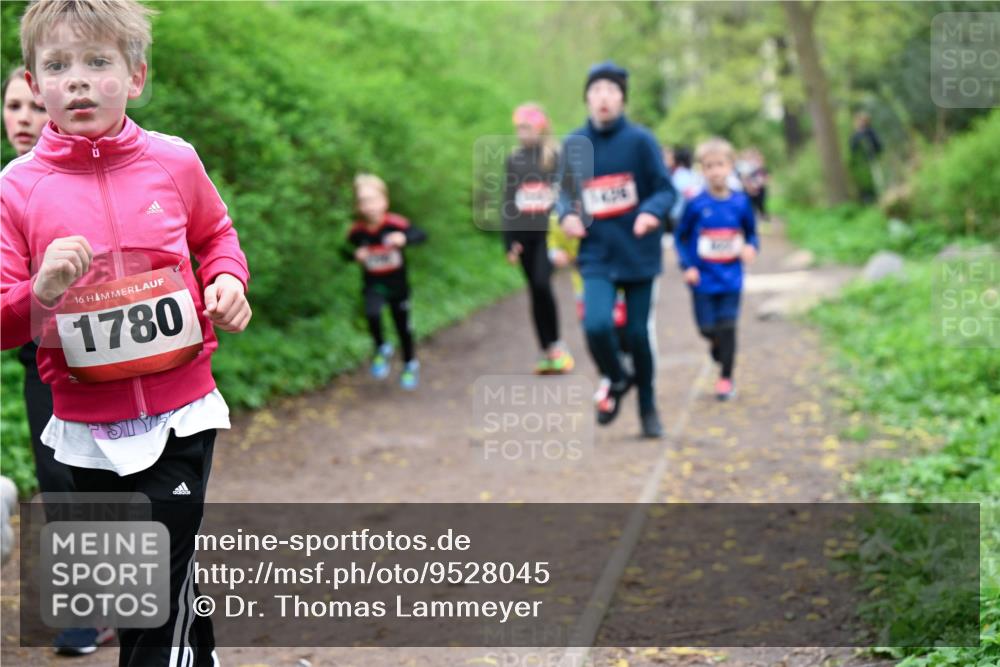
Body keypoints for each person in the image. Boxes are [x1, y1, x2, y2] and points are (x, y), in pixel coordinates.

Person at [2, 2, 252, 664]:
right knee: (137, 585)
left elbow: (216, 234)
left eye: (96, 62)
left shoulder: (174, 161)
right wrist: (43, 290)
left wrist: (227, 279)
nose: (77, 80)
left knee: (157, 573)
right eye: (57, 66)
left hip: (180, 413)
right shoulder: (16, 190)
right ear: (34, 80)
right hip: (85, 430)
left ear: (135, 75)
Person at [3, 64, 114, 658]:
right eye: (13, 106)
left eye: (33, 108)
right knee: (58, 480)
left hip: (101, 352)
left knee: (106, 483)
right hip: (37, 357)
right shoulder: (7, 186)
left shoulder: (82, 179)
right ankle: (86, 617)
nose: (23, 118)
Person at [556, 61, 676, 438]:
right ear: (587, 99)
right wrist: (566, 217)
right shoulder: (575, 144)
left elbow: (665, 190)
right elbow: (564, 194)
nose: (603, 98)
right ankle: (617, 377)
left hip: (638, 251)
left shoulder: (640, 141)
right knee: (596, 324)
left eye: (611, 90)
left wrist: (650, 213)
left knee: (639, 336)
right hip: (596, 254)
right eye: (596, 91)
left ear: (622, 98)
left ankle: (648, 408)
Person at [674, 138, 759, 401]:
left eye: (720, 165)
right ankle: (715, 345)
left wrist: (750, 248)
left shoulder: (741, 203)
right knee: (707, 328)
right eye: (709, 166)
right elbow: (680, 237)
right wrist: (687, 266)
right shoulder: (696, 203)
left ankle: (726, 378)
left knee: (728, 327)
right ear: (702, 170)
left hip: (731, 278)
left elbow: (752, 233)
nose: (715, 171)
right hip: (703, 279)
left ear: (731, 166)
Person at [502, 103, 573, 374]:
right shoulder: (513, 160)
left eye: (527, 127)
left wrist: (567, 242)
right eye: (518, 128)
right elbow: (509, 201)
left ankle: (557, 344)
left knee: (543, 284)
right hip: (525, 237)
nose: (522, 133)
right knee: (534, 290)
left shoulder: (553, 158)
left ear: (541, 128)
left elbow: (567, 196)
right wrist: (510, 242)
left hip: (548, 236)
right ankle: (545, 349)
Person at [349, 173, 426, 390]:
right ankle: (381, 347)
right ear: (358, 205)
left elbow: (421, 234)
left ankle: (410, 364)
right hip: (373, 284)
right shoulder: (357, 232)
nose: (369, 205)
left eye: (373, 199)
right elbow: (343, 251)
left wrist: (405, 239)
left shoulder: (395, 224)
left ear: (384, 201)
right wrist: (355, 254)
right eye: (363, 201)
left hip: (398, 287)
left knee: (403, 326)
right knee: (372, 314)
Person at [849, 111, 883, 204]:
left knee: (877, 182)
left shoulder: (871, 132)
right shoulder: (855, 136)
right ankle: (868, 201)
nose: (861, 123)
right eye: (859, 121)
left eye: (863, 121)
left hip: (872, 161)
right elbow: (852, 151)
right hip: (861, 165)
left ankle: (879, 199)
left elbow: (879, 146)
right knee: (864, 185)